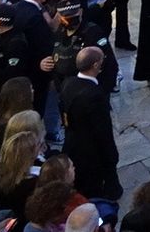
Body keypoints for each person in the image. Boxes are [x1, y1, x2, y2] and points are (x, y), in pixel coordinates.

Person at [59, 47, 120, 202]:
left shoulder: (68, 83)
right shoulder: (94, 95)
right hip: (91, 151)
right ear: (95, 65)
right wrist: (111, 155)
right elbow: (103, 131)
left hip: (73, 142)